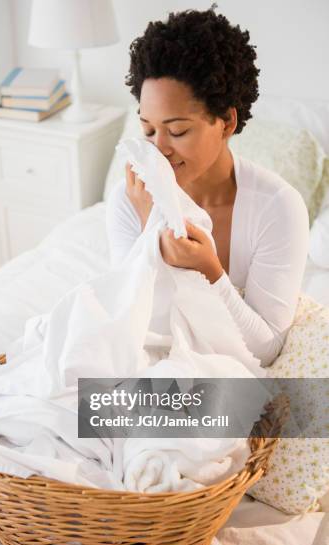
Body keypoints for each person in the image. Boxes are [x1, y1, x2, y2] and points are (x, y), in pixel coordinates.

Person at [106, 8, 309, 367]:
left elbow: (266, 350)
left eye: (178, 131)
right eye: (148, 130)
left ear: (227, 121)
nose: (158, 149)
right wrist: (149, 228)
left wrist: (210, 273)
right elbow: (131, 327)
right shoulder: (129, 199)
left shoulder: (278, 209)